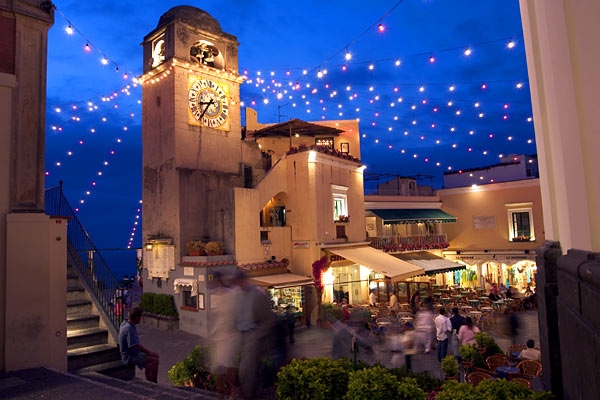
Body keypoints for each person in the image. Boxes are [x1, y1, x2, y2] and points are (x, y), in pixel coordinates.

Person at [234, 270, 279, 399]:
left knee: (246, 371)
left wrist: (257, 335)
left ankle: (250, 396)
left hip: (253, 336)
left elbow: (270, 320)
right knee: (247, 371)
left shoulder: (256, 296)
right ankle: (252, 394)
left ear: (242, 281)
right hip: (242, 336)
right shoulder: (240, 296)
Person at [209, 271, 242, 398]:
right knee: (217, 368)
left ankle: (234, 391)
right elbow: (218, 318)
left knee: (228, 368)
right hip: (221, 337)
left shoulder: (232, 295)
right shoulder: (219, 294)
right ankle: (222, 393)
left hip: (230, 337)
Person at [118, 307, 159, 382]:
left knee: (150, 362)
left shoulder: (125, 323)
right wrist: (149, 352)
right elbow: (135, 345)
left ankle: (150, 381)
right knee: (155, 360)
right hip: (130, 356)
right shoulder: (128, 328)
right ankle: (154, 382)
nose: (141, 319)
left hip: (133, 353)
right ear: (136, 318)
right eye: (140, 317)